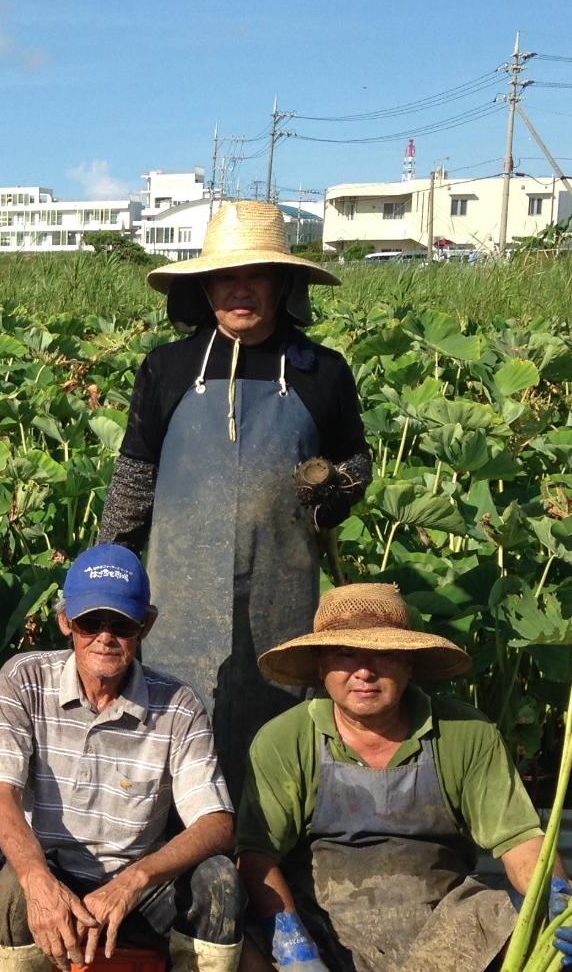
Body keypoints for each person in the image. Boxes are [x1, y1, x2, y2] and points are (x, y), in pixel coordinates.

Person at [232, 583, 572, 972]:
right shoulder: (286, 740)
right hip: (326, 928)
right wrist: (292, 946)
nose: (363, 671)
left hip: (438, 929)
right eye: (346, 656)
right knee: (232, 942)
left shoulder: (465, 735)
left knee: (518, 914)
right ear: (322, 665)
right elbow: (256, 854)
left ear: (409, 662)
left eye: (382, 656)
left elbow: (521, 843)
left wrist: (559, 896)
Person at [0, 545, 261, 972]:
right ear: (65, 622)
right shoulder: (24, 680)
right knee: (9, 894)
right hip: (53, 863)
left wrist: (134, 880)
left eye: (122, 624)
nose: (105, 637)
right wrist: (37, 881)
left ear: (146, 626)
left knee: (218, 881)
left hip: (137, 876)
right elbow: (2, 798)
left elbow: (216, 822)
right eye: (91, 622)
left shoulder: (177, 705)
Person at [97, 200, 370, 799]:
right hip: (177, 599)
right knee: (173, 732)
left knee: (276, 733)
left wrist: (333, 487)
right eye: (227, 277)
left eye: (256, 277)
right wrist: (103, 576)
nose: (240, 291)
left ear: (282, 284)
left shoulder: (321, 371)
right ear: (204, 287)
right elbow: (134, 479)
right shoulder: (167, 368)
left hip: (282, 591)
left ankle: (268, 863)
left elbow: (356, 462)